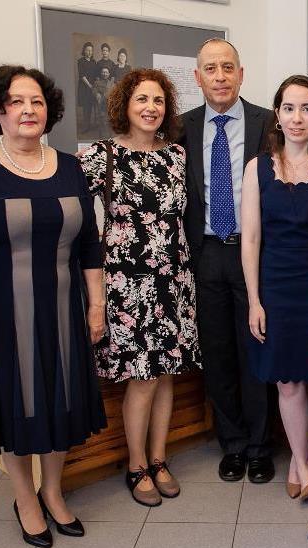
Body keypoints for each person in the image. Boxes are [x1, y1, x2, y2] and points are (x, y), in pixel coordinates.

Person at [0, 65, 107, 548]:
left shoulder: (71, 168)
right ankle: (25, 498)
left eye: (36, 101)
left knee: (61, 400)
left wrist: (96, 304)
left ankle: (53, 491)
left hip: (62, 311)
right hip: (1, 314)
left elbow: (90, 244)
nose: (28, 110)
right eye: (16, 101)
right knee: (17, 403)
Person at [80, 69, 200, 507]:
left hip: (174, 280)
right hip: (127, 285)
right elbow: (65, 202)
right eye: (142, 99)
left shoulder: (177, 156)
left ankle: (159, 458)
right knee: (142, 377)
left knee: (166, 374)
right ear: (125, 106)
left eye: (158, 100)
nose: (151, 108)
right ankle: (136, 466)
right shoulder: (102, 155)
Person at [241, 75, 308, 502]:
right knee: (287, 381)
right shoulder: (257, 169)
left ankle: (299, 458)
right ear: (277, 115)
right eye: (289, 108)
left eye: (306, 108)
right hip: (276, 286)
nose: (297, 117)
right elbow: (251, 239)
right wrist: (254, 300)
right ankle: (304, 462)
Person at [180, 38, 275, 484]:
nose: (219, 77)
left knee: (254, 348)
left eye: (227, 67)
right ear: (198, 77)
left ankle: (259, 447)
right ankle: (233, 444)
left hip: (254, 252)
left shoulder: (269, 122)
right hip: (205, 254)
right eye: (210, 69)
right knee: (217, 354)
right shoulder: (180, 128)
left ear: (241, 73)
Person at [77, 42, 96, 133]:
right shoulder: (80, 61)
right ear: (84, 51)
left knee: (91, 105)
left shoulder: (94, 62)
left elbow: (95, 75)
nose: (89, 52)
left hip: (93, 87)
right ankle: (85, 126)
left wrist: (95, 86)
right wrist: (90, 85)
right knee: (86, 107)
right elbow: (82, 76)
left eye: (91, 50)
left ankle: (90, 125)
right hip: (84, 87)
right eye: (87, 50)